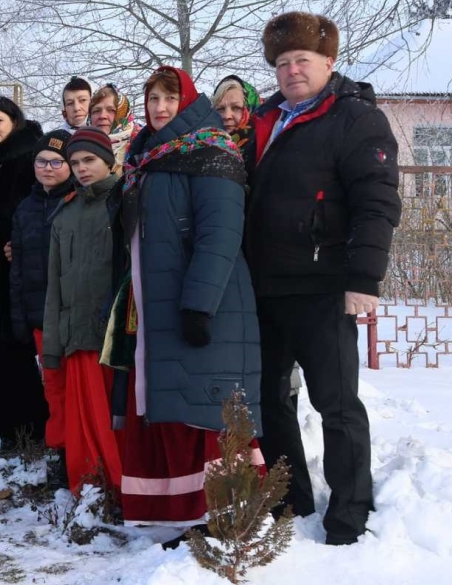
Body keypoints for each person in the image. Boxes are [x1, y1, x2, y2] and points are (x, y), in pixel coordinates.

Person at [247, 12, 401, 546]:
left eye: (302, 61)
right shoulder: (265, 120)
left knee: (335, 404)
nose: (292, 71)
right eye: (283, 62)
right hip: (266, 289)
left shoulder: (354, 118)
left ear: (328, 62)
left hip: (324, 286)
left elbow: (377, 202)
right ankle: (291, 500)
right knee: (268, 400)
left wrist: (364, 278)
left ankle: (350, 516)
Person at [103, 66, 261, 537]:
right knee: (167, 405)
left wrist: (199, 305)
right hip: (152, 300)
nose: (159, 107)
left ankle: (217, 514)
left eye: (170, 97)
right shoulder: (145, 156)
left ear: (189, 101)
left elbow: (221, 233)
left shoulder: (211, 151)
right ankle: (174, 516)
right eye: (152, 98)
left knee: (202, 412)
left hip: (200, 303)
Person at [42, 127, 122, 495]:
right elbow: (54, 286)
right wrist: (53, 346)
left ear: (108, 160)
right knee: (83, 428)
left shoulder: (126, 200)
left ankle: (123, 492)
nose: (82, 168)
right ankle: (91, 494)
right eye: (75, 163)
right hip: (76, 336)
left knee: (116, 425)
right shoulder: (65, 214)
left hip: (115, 337)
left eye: (89, 160)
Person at [0, 96, 47, 450]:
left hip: (21, 265)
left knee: (21, 347)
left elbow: (39, 207)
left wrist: (21, 244)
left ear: (13, 121)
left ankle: (33, 425)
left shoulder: (31, 157)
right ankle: (7, 427)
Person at [9, 128, 76, 483]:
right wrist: (19, 316)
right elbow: (17, 267)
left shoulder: (79, 201)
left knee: (78, 388)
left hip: (75, 317)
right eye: (41, 161)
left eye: (56, 161)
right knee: (53, 388)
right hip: (40, 317)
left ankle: (80, 453)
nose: (47, 168)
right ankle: (60, 452)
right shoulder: (25, 208)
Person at [88, 84, 141, 172]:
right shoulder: (83, 147)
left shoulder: (142, 142)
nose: (102, 116)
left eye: (111, 110)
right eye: (96, 110)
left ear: (123, 113)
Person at [212, 75, 260, 149]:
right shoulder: (203, 144)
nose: (227, 116)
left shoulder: (263, 147)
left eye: (236, 108)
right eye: (220, 109)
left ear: (249, 110)